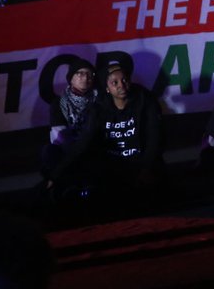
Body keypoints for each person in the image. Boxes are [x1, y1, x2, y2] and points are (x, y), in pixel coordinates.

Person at [48, 62, 164, 196]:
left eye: (124, 80)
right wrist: (55, 175)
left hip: (143, 163)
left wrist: (146, 168)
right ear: (107, 88)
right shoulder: (99, 109)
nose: (121, 85)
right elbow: (83, 142)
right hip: (113, 167)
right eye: (115, 83)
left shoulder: (145, 100)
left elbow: (154, 138)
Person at [43, 59, 98, 175]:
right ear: (71, 78)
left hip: (94, 146)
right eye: (80, 73)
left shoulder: (99, 100)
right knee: (50, 152)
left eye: (89, 74)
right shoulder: (59, 103)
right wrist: (77, 149)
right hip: (69, 147)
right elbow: (59, 133)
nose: (85, 77)